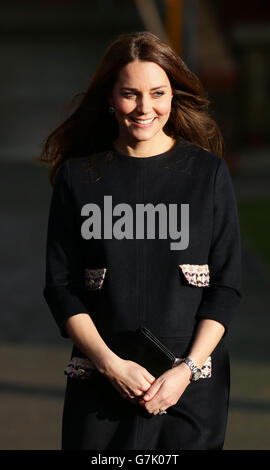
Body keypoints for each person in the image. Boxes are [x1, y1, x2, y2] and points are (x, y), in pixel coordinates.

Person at [39, 31, 242, 450]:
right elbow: (61, 287)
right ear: (111, 98)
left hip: (190, 389)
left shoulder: (208, 174)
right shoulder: (79, 178)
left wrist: (184, 371)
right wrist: (111, 366)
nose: (145, 108)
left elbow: (226, 287)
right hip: (101, 384)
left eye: (158, 93)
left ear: (174, 95)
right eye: (130, 94)